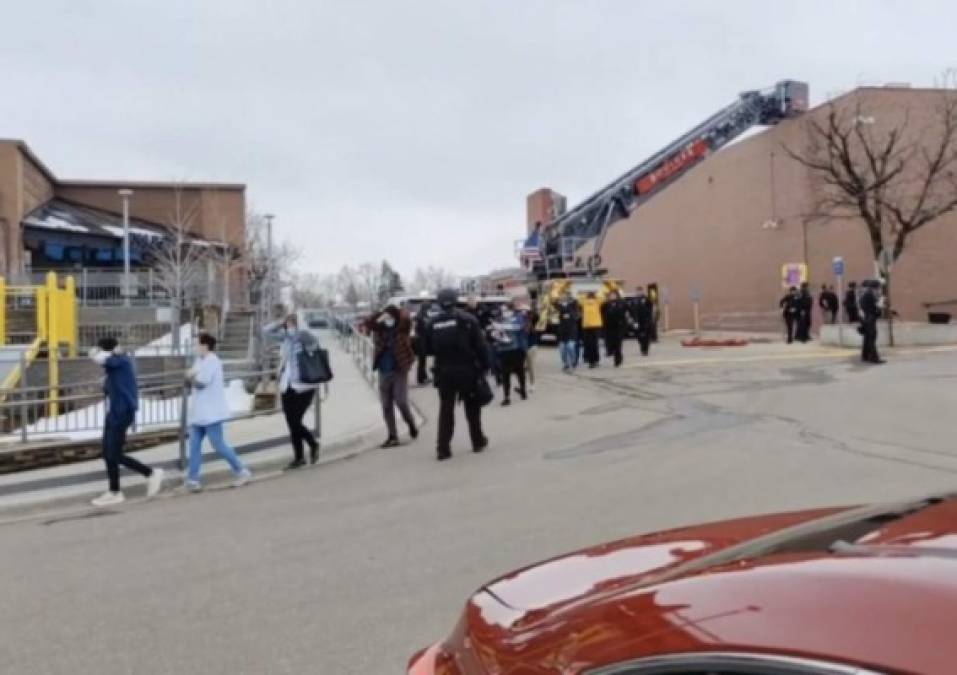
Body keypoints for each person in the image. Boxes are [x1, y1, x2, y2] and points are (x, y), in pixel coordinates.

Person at [89, 337, 164, 507]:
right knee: (107, 454)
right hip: (113, 413)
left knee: (114, 454)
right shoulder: (113, 367)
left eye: (102, 351)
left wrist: (98, 354)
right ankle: (114, 491)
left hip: (123, 413)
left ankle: (151, 473)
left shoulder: (121, 361)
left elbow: (106, 360)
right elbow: (109, 381)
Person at [425, 288, 490, 461]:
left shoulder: (431, 323)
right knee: (472, 407)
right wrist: (486, 366)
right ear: (455, 300)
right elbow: (481, 346)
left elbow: (427, 348)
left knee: (446, 410)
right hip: (467, 370)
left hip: (444, 372)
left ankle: (443, 449)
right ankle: (477, 441)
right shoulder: (467, 319)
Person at [184, 333, 252, 492]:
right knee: (193, 446)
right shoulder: (199, 361)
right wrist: (189, 378)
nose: (195, 347)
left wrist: (190, 378)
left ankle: (242, 471)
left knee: (218, 445)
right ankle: (192, 479)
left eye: (197, 344)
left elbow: (201, 383)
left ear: (205, 346)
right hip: (199, 413)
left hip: (211, 412)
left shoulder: (212, 361)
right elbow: (190, 378)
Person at [267, 314, 321, 469]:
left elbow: (310, 341)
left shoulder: (306, 336)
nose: (289, 326)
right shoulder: (285, 339)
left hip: (304, 386)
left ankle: (312, 444)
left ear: (298, 324)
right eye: (288, 324)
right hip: (287, 385)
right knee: (291, 423)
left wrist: (295, 330)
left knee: (295, 421)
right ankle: (299, 457)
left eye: (292, 323)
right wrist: (279, 322)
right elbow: (265, 332)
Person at [364, 303, 418, 448]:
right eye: (385, 317)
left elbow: (407, 319)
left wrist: (396, 313)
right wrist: (381, 315)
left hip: (399, 369)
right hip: (383, 369)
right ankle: (392, 436)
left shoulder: (402, 329)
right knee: (386, 405)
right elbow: (367, 323)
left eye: (390, 317)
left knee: (401, 401)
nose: (387, 319)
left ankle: (411, 424)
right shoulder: (380, 329)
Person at [489, 301, 528, 406]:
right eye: (502, 310)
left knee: (520, 372)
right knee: (505, 374)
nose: (504, 312)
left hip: (517, 350)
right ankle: (507, 397)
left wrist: (502, 327)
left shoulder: (518, 316)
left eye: (506, 310)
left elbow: (518, 327)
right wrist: (495, 333)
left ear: (511, 310)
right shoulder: (499, 319)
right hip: (504, 350)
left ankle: (523, 390)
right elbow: (493, 332)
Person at [859, 280, 885, 364]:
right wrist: (880, 305)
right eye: (879, 288)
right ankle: (874, 358)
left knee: (867, 338)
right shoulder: (870, 295)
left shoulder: (865, 295)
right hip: (870, 319)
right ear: (876, 288)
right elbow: (875, 309)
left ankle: (865, 356)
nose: (879, 290)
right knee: (872, 338)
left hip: (866, 318)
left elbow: (863, 306)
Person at [554, 290, 581, 372]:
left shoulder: (573, 305)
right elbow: (554, 303)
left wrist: (572, 301)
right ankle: (565, 363)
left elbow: (577, 314)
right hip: (562, 331)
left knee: (570, 347)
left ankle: (573, 362)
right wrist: (558, 300)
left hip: (572, 330)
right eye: (562, 296)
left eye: (565, 296)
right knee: (562, 349)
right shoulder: (560, 306)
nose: (564, 297)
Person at [600, 290, 628, 367]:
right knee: (610, 343)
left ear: (617, 295)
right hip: (609, 327)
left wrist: (630, 319)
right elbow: (601, 312)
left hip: (619, 326)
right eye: (611, 295)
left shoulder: (622, 303)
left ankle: (617, 360)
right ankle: (613, 352)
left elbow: (628, 310)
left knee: (618, 343)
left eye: (614, 295)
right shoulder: (606, 304)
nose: (612, 296)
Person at [627, 286, 654, 356]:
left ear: (642, 291)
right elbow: (630, 310)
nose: (639, 292)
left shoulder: (647, 299)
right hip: (636, 321)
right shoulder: (634, 300)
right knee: (638, 335)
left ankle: (645, 350)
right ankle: (642, 347)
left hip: (646, 320)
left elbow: (650, 309)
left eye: (640, 291)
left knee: (645, 336)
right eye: (637, 291)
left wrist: (649, 319)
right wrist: (631, 319)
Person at [413, 300, 435, 385]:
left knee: (423, 360)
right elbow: (417, 328)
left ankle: (424, 376)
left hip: (424, 339)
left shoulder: (424, 315)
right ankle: (420, 378)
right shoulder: (419, 317)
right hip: (421, 340)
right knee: (422, 359)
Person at [580, 291, 603, 368]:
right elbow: (602, 297)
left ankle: (591, 361)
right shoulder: (597, 302)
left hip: (588, 326)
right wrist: (596, 295)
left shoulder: (584, 302)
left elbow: (578, 299)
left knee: (589, 345)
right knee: (594, 345)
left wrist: (584, 295)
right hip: (595, 326)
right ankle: (594, 360)